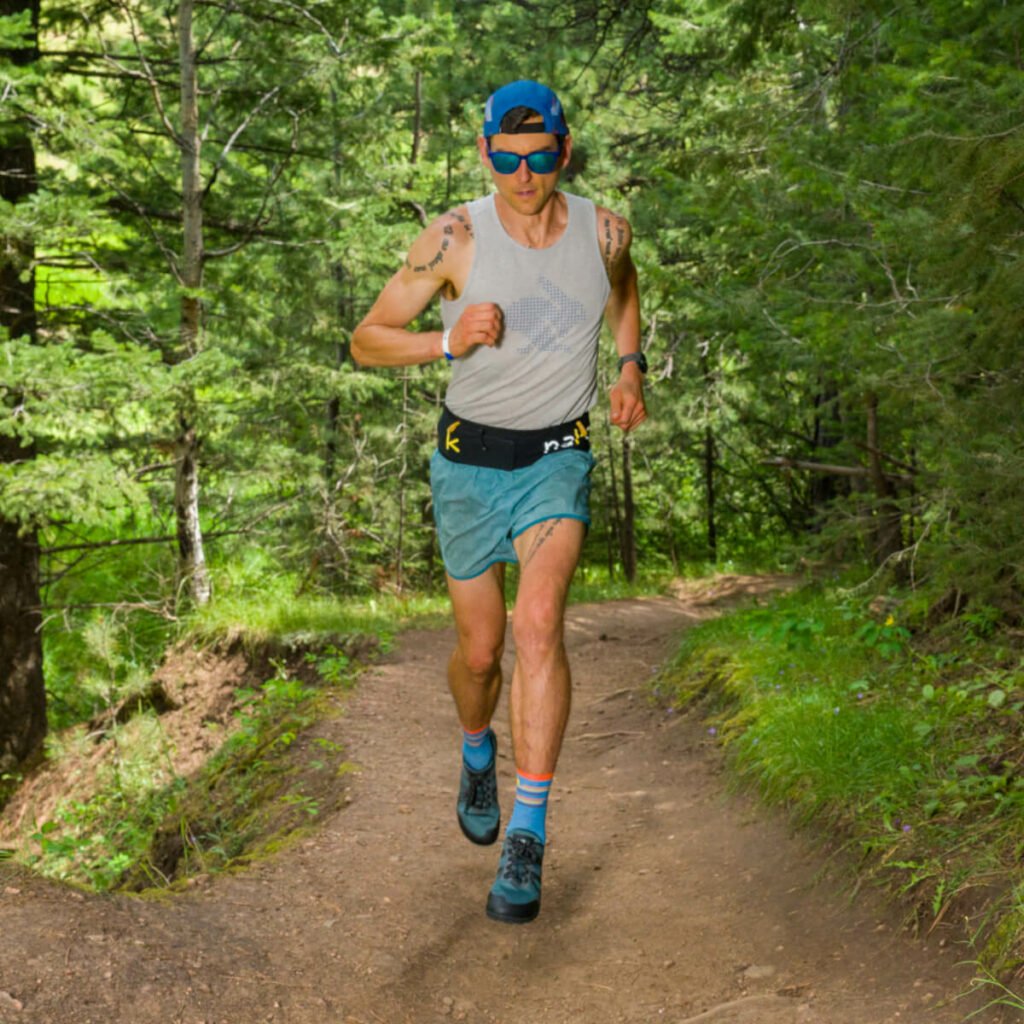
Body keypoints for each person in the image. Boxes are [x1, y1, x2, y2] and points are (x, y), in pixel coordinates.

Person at [351, 79, 647, 924]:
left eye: (542, 157)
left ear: (564, 148)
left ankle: (527, 829)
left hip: (558, 454)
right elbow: (366, 340)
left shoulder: (605, 229)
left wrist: (629, 367)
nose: (525, 175)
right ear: (485, 152)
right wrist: (448, 337)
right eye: (507, 159)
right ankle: (477, 746)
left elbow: (623, 291)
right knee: (480, 656)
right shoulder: (452, 238)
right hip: (467, 465)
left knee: (538, 625)